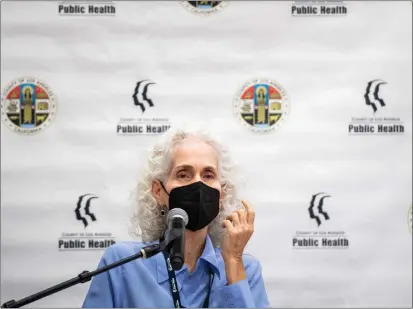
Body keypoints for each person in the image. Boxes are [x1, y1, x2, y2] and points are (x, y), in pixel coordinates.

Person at [82, 126, 270, 308]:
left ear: (221, 195)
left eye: (208, 175)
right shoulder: (122, 264)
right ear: (158, 191)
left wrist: (233, 262)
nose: (198, 183)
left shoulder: (245, 268)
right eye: (183, 174)